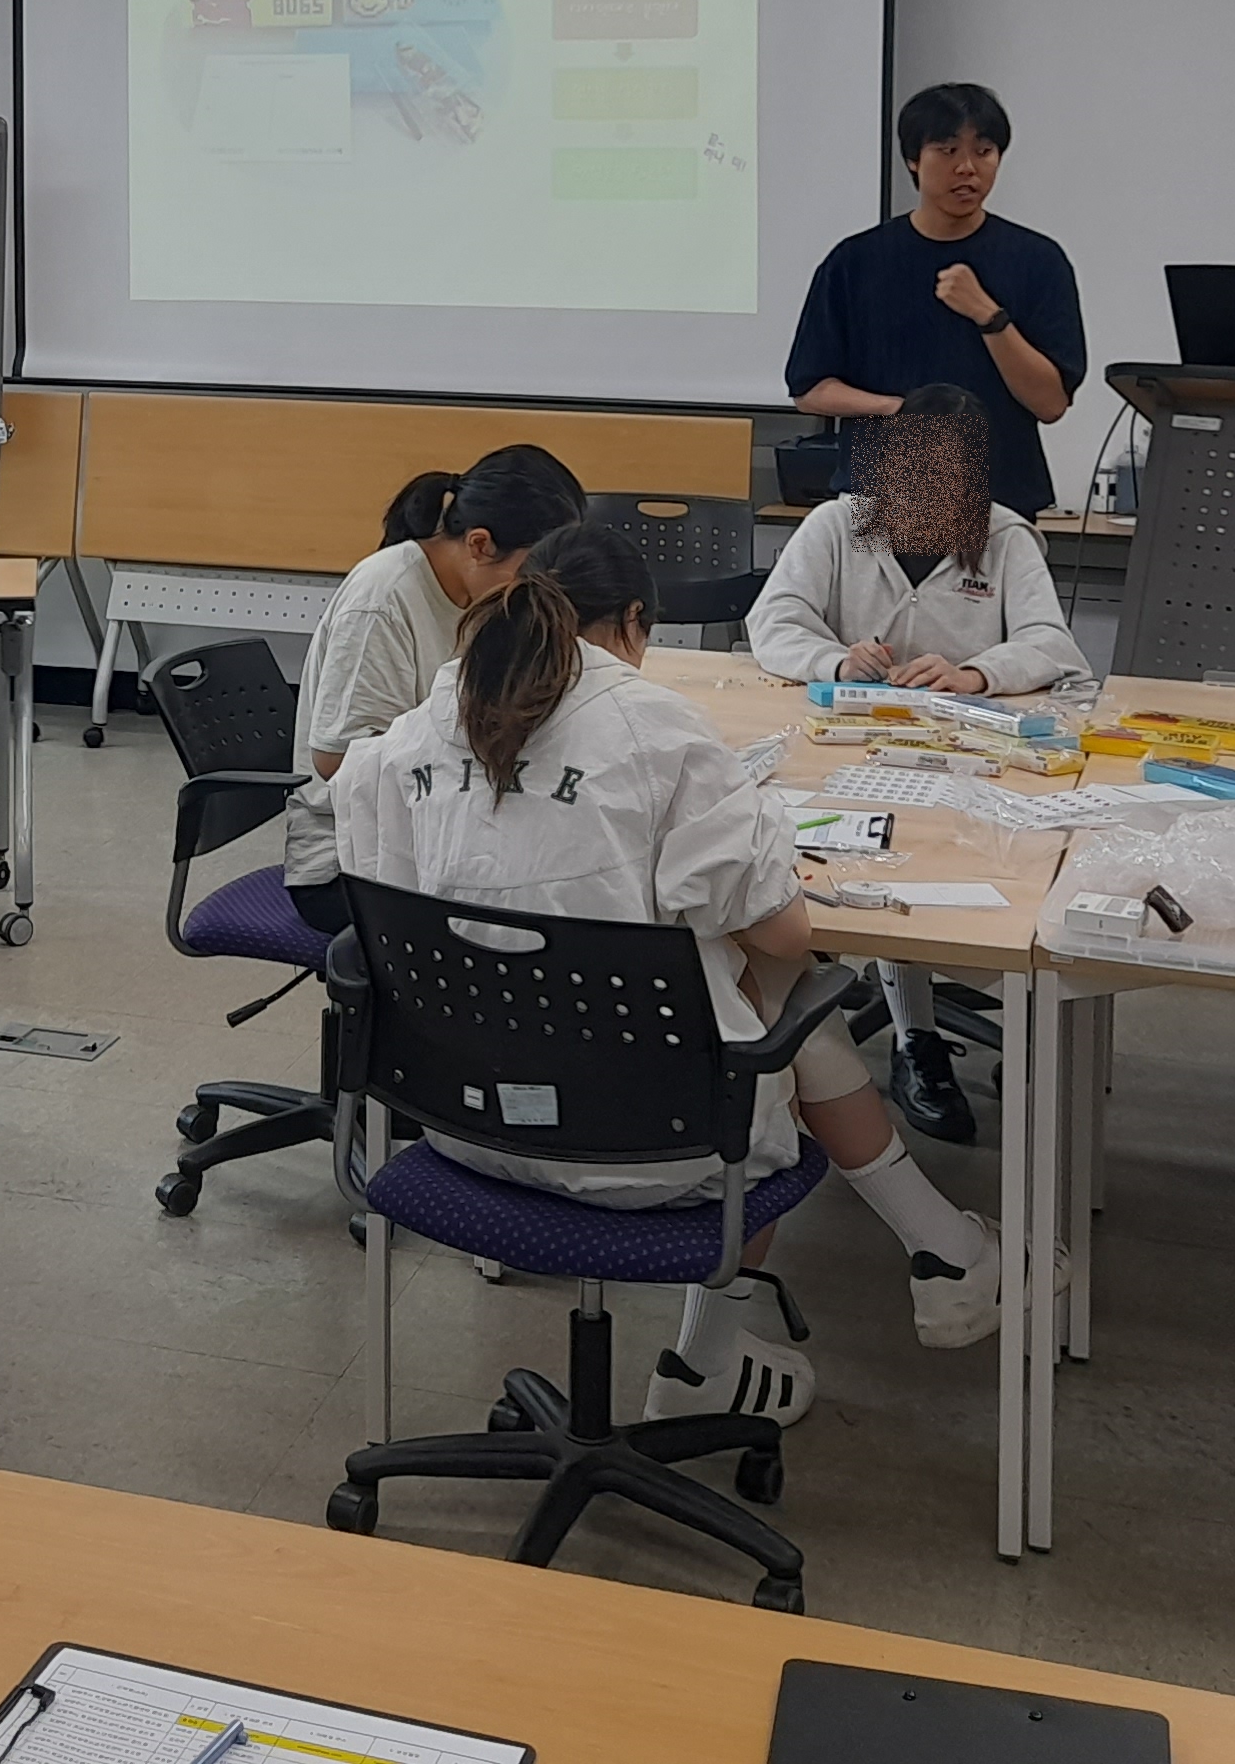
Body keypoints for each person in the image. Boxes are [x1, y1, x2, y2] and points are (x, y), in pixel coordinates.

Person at [332, 525, 1014, 1426]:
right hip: (651, 1149)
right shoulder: (657, 731)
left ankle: (934, 1254)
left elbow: (380, 902)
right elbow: (788, 933)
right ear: (633, 624)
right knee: (778, 994)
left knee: (734, 988)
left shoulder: (416, 733)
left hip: (461, 1124)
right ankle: (731, 1349)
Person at [746, 383, 1088, 1142]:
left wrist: (975, 674)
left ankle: (980, 1040)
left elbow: (1052, 644)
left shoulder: (1005, 537)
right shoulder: (837, 526)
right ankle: (911, 1039)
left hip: (968, 761)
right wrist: (836, 660)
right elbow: (773, 622)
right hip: (844, 753)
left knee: (966, 878)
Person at [288, 447, 590, 936]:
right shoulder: (382, 599)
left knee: (583, 864)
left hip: (441, 823)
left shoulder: (483, 592)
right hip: (348, 861)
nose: (540, 591)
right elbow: (338, 760)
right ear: (479, 544)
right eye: (533, 572)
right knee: (553, 908)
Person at [786, 81, 1086, 520]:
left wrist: (989, 316)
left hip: (998, 498)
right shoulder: (856, 261)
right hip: (880, 498)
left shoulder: (1038, 260)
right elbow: (809, 390)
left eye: (984, 152)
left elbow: (1051, 404)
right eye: (947, 151)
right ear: (913, 158)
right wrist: (900, 410)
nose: (967, 168)